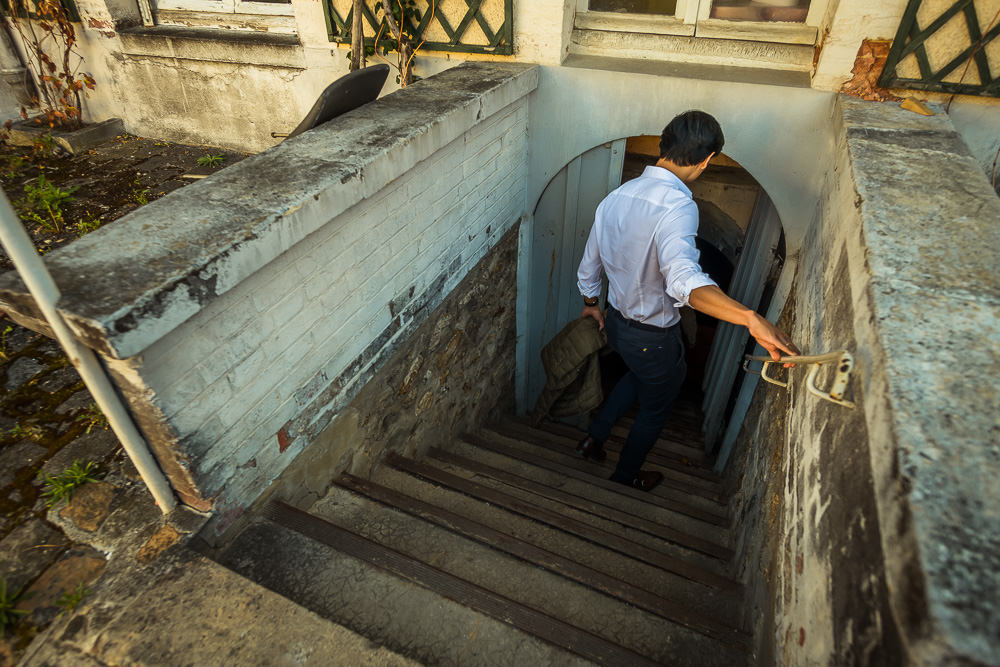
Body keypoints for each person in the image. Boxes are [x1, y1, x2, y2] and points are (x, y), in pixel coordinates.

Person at [575, 110, 799, 491]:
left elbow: (588, 267)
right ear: (707, 160)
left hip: (615, 322)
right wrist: (749, 317)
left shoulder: (616, 196)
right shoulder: (679, 207)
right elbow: (684, 281)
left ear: (663, 144)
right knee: (657, 404)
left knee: (638, 375)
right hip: (652, 335)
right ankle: (625, 474)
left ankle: (593, 439)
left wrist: (592, 303)